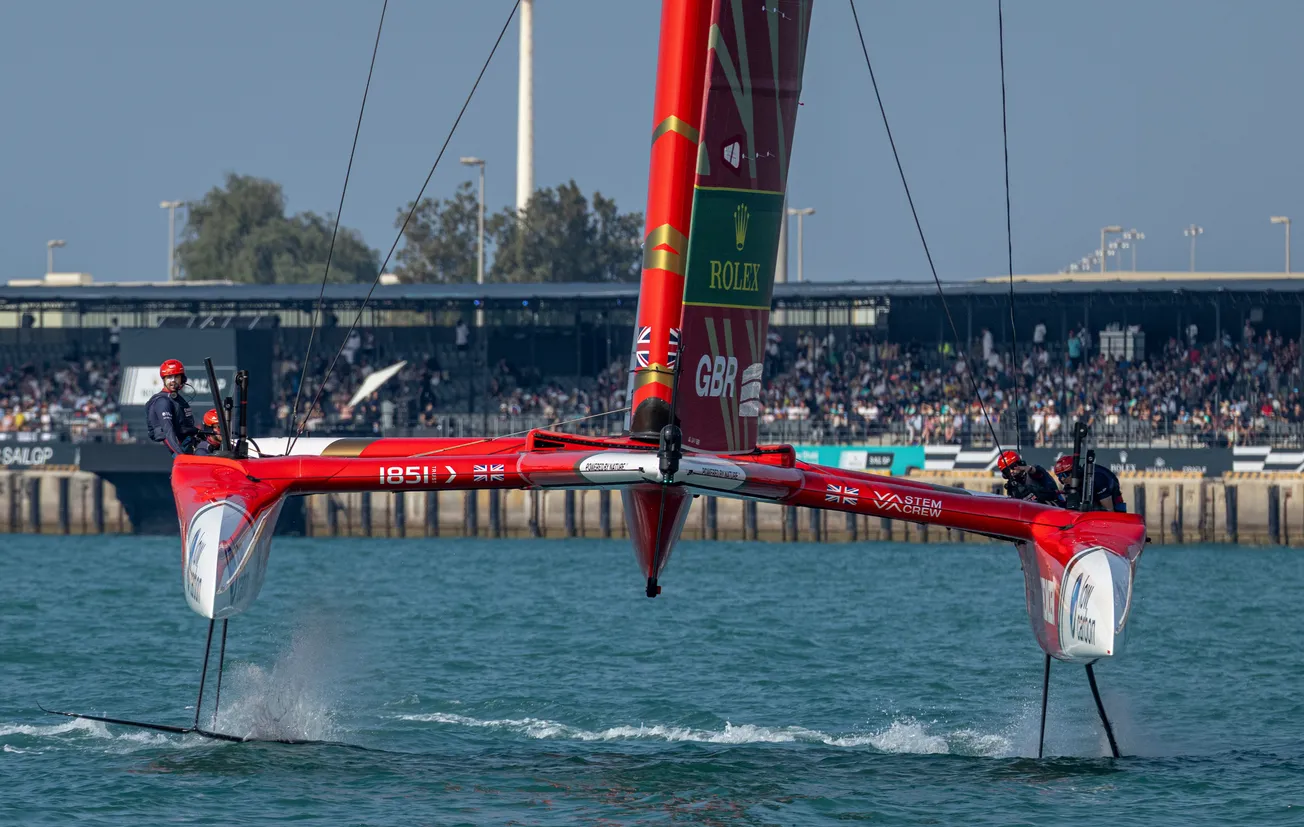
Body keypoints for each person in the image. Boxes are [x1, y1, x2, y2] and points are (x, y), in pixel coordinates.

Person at [145, 359, 199, 456]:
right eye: (169, 377)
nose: (173, 380)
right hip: (182, 451)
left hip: (191, 446)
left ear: (182, 379)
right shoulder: (163, 402)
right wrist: (182, 456)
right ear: (164, 379)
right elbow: (168, 433)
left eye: (176, 376)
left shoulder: (178, 399)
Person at [1053, 454, 1127, 512]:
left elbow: (1110, 511)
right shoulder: (1068, 487)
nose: (1062, 479)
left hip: (1113, 506)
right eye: (1059, 476)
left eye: (1064, 475)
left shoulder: (1098, 479)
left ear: (1074, 472)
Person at [998, 450, 1064, 507]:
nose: (1011, 471)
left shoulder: (1033, 472)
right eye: (1006, 471)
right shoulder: (1012, 487)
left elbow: (1036, 472)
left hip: (1053, 507)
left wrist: (1029, 469)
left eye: (1013, 467)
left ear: (1020, 463)